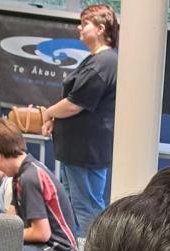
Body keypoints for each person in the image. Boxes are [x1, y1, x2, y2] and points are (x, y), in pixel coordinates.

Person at [42, 4, 119, 236]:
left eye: (85, 23)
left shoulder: (105, 62)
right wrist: (54, 118)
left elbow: (75, 103)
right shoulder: (94, 60)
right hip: (77, 150)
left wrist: (49, 112)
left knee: (86, 208)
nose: (79, 27)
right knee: (74, 207)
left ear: (100, 29)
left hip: (86, 151)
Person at [0, 118, 77, 251]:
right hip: (45, 245)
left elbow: (41, 233)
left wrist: (6, 235)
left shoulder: (29, 178)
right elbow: (10, 219)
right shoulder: (19, 175)